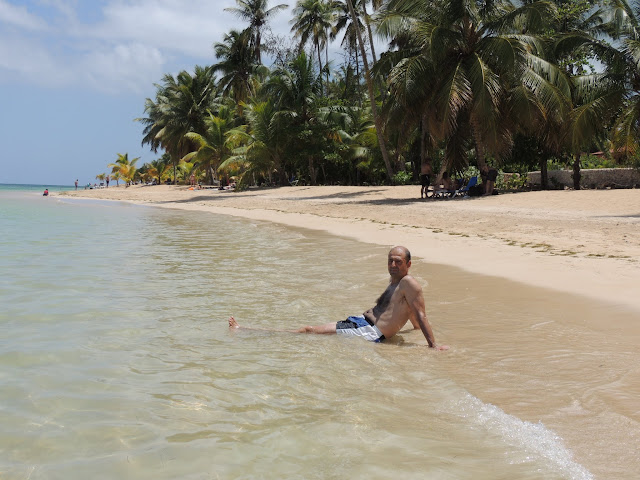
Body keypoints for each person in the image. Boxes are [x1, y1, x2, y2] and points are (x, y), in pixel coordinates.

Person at [228, 246, 448, 350]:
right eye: (390, 260)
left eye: (398, 261)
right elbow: (412, 315)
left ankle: (248, 331)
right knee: (311, 330)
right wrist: (414, 329)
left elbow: (420, 313)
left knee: (308, 330)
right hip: (361, 323)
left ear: (408, 264)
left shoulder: (409, 283)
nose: (393, 264)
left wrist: (433, 345)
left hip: (368, 331)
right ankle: (251, 331)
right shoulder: (397, 283)